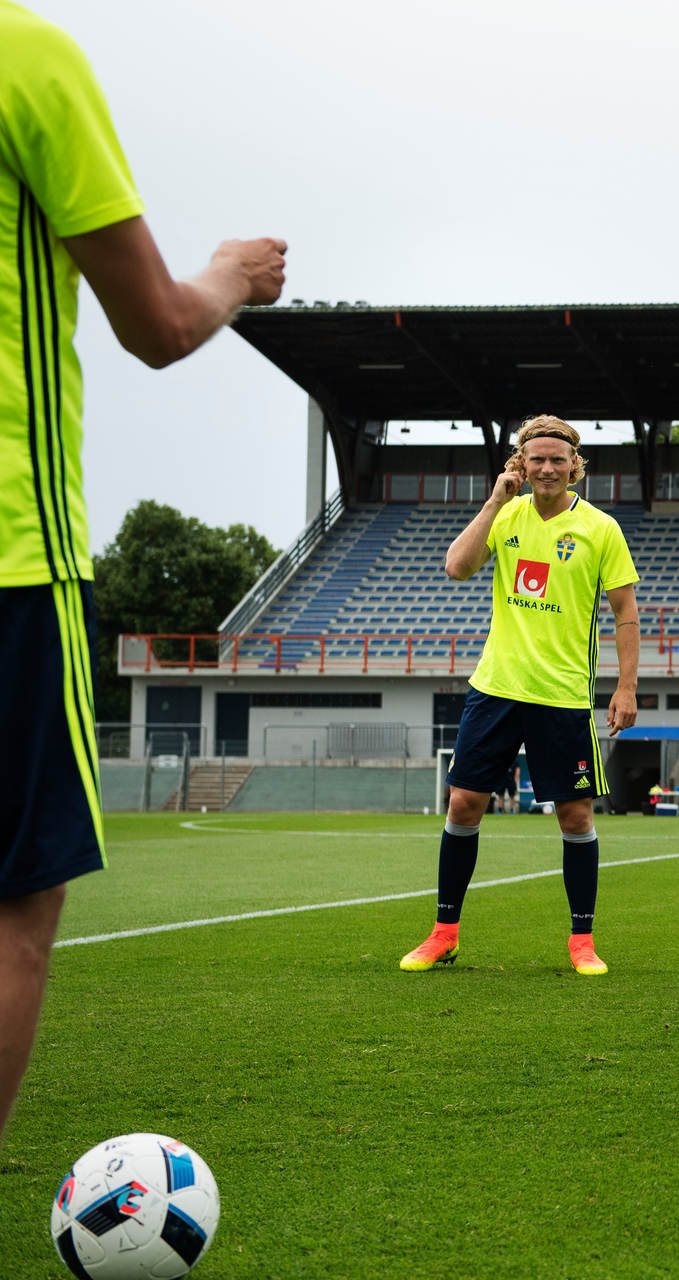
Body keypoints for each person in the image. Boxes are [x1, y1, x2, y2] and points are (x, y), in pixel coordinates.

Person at [0, 5, 286, 1146]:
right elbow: (158, 325)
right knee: (17, 907)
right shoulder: (26, 55)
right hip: (11, 559)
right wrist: (227, 273)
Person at [399, 416, 640, 978]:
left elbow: (626, 614)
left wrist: (626, 687)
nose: (548, 468)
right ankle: (443, 933)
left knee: (575, 817)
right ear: (522, 464)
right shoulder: (505, 516)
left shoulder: (601, 528)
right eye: (537, 459)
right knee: (463, 804)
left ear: (575, 465)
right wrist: (493, 501)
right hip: (496, 688)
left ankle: (582, 941)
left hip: (561, 696)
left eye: (558, 459)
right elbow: (456, 567)